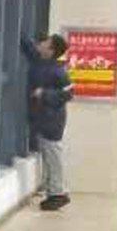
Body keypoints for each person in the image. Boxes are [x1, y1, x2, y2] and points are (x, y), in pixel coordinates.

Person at [20, 31, 73, 211]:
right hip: (41, 118)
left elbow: (69, 93)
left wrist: (44, 94)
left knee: (53, 155)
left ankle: (58, 192)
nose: (41, 43)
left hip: (52, 120)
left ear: (50, 51)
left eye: (46, 43)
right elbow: (27, 45)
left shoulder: (58, 70)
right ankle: (53, 192)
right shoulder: (39, 60)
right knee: (48, 155)